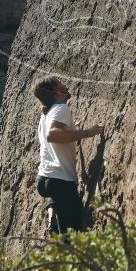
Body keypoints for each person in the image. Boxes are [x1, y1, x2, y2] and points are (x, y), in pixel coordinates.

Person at [33, 76, 104, 236]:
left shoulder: (45, 116)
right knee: (72, 235)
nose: (65, 84)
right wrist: (87, 133)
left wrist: (73, 132)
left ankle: (53, 220)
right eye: (60, 84)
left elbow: (54, 135)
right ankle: (61, 237)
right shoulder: (61, 109)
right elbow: (53, 135)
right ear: (55, 92)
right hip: (60, 182)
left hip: (45, 179)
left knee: (61, 215)